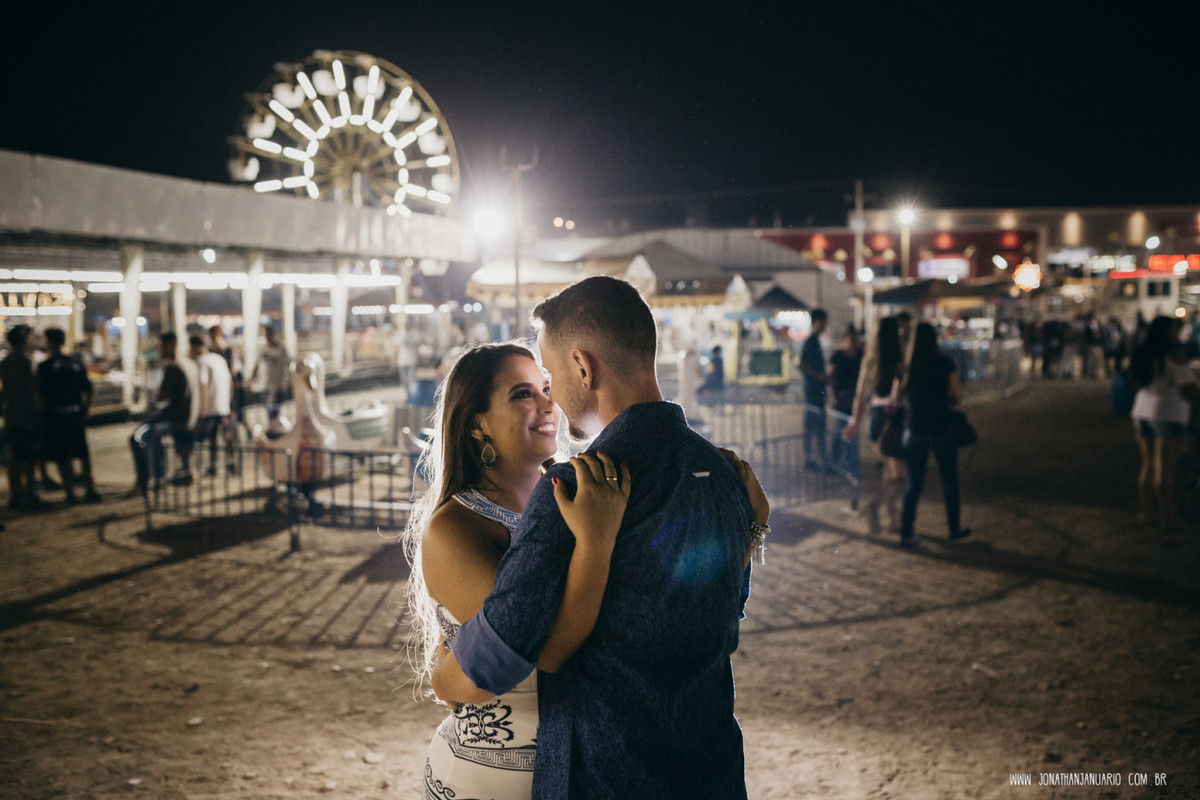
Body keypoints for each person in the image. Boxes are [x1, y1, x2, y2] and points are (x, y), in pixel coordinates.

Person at [432, 276, 770, 799]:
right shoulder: (723, 473)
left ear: (582, 367)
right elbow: (726, 625)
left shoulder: (574, 487)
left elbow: (510, 646)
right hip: (711, 769)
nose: (552, 398)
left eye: (550, 374)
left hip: (607, 775)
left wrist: (444, 677)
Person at [403, 342, 631, 799]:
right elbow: (545, 649)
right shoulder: (454, 528)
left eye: (547, 388)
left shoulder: (577, 495)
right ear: (476, 424)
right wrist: (596, 542)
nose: (549, 404)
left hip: (581, 769)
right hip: (490, 778)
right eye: (523, 394)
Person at [898, 322, 972, 548]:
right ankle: (954, 528)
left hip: (915, 429)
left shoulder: (908, 367)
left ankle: (907, 533)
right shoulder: (944, 362)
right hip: (941, 428)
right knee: (949, 480)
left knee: (913, 484)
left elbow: (899, 395)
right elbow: (958, 395)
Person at [1130, 315, 1198, 529]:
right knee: (1166, 468)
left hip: (1142, 410)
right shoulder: (1174, 357)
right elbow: (1188, 388)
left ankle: (1146, 514)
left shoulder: (1143, 354)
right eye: (1176, 330)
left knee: (1147, 465)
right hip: (1168, 413)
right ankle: (1168, 516)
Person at [843, 316, 906, 533]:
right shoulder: (899, 359)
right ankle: (874, 507)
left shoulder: (870, 360)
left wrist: (855, 421)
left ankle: (893, 522)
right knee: (899, 475)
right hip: (893, 418)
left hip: (875, 419)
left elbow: (859, 396)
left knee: (890, 473)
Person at [35, 328, 101, 504]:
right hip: (75, 413)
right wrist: (85, 409)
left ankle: (69, 492)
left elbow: (40, 395)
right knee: (82, 453)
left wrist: (42, 415)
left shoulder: (44, 366)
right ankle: (90, 489)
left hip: (55, 415)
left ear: (49, 342)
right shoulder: (76, 362)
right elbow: (89, 389)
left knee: (61, 455)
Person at [129, 332, 198, 491]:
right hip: (190, 416)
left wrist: (157, 394)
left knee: (138, 438)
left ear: (170, 345)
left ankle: (150, 478)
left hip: (176, 417)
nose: (159, 350)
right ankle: (166, 475)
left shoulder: (173, 367)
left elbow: (162, 395)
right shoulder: (189, 363)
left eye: (161, 346)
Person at [1, 325, 47, 509]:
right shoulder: (25, 362)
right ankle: (30, 493)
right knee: (29, 457)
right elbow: (33, 388)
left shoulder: (5, 362)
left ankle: (15, 493)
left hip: (11, 413)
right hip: (26, 414)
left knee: (13, 456)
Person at [189, 334, 233, 476]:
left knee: (212, 438)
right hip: (224, 405)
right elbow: (230, 381)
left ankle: (213, 466)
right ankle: (231, 463)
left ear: (195, 347)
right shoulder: (218, 358)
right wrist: (228, 400)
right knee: (227, 436)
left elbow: (204, 385)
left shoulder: (200, 361)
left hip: (210, 408)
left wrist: (201, 409)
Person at [829, 324, 863, 471]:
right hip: (842, 396)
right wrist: (832, 396)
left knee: (851, 428)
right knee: (841, 428)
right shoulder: (838, 355)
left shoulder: (860, 356)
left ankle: (849, 460)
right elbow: (831, 377)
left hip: (853, 397)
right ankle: (836, 459)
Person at [800, 308, 829, 470]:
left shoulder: (815, 341)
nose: (825, 325)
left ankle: (815, 459)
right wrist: (820, 377)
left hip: (816, 391)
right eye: (823, 321)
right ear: (817, 322)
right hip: (813, 391)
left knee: (815, 427)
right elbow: (802, 365)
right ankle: (814, 460)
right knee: (814, 427)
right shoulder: (811, 341)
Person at [251, 325, 289, 421]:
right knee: (267, 411)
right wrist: (251, 379)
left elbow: (287, 365)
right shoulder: (263, 349)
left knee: (274, 411)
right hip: (264, 385)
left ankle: (275, 429)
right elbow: (257, 364)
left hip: (277, 385)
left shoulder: (280, 349)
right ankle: (271, 428)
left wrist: (287, 382)